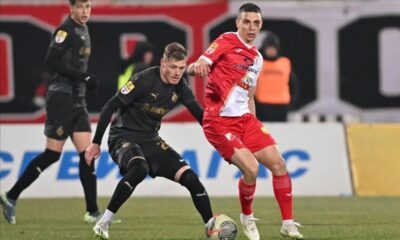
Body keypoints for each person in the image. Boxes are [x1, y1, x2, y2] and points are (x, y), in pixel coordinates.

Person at [187, 3, 303, 240]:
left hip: (245, 119)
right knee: (252, 169)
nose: (252, 27)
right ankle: (247, 217)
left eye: (256, 23)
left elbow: (249, 95)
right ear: (237, 22)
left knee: (279, 164)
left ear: (261, 25)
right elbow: (199, 64)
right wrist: (196, 66)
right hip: (218, 121)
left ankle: (288, 224)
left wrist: (255, 123)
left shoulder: (257, 58)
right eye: (247, 22)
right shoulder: (226, 40)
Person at [85, 42, 214, 240]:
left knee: (191, 178)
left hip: (151, 140)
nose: (177, 73)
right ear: (163, 63)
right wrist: (96, 142)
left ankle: (212, 228)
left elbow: (201, 117)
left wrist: (227, 139)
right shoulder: (144, 79)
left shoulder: (181, 87)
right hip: (122, 136)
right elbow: (110, 106)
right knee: (140, 169)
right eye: (172, 67)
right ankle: (104, 222)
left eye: (181, 68)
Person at [0, 0, 105, 225]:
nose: (85, 11)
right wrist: (83, 77)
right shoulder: (65, 30)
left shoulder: (83, 29)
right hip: (62, 97)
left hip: (77, 98)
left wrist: (83, 80)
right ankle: (11, 196)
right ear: (71, 8)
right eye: (80, 7)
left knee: (88, 154)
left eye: (88, 6)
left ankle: (93, 211)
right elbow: (51, 60)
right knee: (52, 154)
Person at [255, 31, 298, 122]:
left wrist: (292, 103)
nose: (271, 51)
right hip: (262, 106)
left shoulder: (285, 62)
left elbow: (294, 84)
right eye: (269, 48)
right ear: (264, 48)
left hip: (282, 106)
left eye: (273, 48)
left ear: (277, 49)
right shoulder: (258, 63)